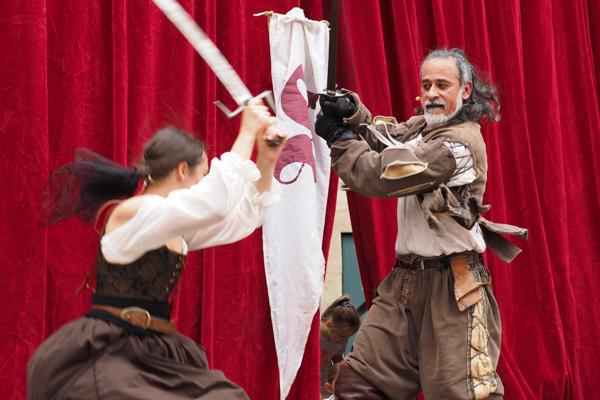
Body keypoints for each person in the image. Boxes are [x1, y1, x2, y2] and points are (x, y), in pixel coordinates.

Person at [28, 100, 287, 399]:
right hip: (110, 349)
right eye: (203, 176)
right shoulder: (135, 212)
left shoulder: (172, 225)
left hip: (154, 348)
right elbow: (214, 203)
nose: (205, 183)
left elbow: (241, 218)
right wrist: (246, 134)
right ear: (182, 171)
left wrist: (266, 160)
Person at [314, 48, 527, 400]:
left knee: (461, 394)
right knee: (358, 385)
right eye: (426, 85)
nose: (432, 93)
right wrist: (353, 113)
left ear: (466, 90)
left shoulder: (456, 144)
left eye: (442, 85)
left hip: (453, 290)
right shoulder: (425, 129)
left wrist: (341, 140)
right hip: (405, 284)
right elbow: (387, 138)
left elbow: (383, 174)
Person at [320, 295, 360, 398]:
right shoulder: (315, 336)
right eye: (343, 335)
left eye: (349, 337)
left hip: (324, 382)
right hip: (308, 378)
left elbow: (337, 358)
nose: (345, 340)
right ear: (329, 325)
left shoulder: (339, 341)